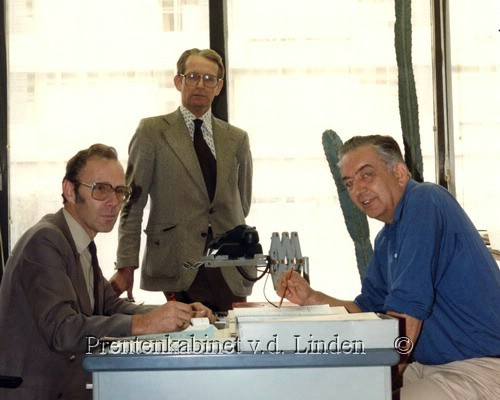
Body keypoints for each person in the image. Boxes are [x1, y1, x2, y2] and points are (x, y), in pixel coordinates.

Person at [277, 135, 500, 400]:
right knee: (333, 389)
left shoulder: (424, 201)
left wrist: (382, 376)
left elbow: (406, 317)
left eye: (366, 175)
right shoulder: (387, 237)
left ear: (399, 173)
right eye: (349, 183)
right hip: (431, 366)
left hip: (480, 367)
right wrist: (311, 298)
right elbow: (367, 311)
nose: (358, 190)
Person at [0, 144, 213, 400]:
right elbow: (62, 329)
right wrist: (146, 323)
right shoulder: (46, 240)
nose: (114, 203)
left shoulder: (82, 242)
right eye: (101, 189)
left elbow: (111, 306)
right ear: (69, 190)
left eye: (120, 191)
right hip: (38, 391)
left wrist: (179, 314)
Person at [110, 48, 254, 312]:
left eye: (209, 79)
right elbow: (133, 203)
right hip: (176, 261)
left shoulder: (237, 139)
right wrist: (125, 265)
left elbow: (242, 202)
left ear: (219, 86)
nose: (201, 84)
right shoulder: (152, 132)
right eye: (193, 76)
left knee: (233, 337)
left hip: (231, 265)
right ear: (178, 81)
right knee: (189, 338)